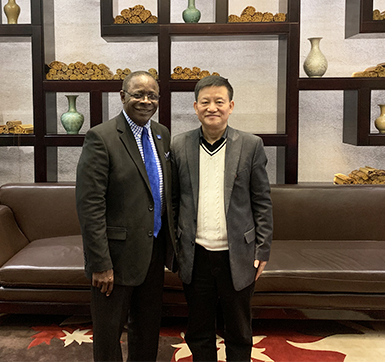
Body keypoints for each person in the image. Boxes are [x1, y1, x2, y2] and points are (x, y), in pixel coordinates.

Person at [171, 75, 273, 362]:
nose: (212, 107)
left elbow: (262, 201)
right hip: (196, 254)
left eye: (219, 101)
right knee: (198, 327)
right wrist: (176, 247)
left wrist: (262, 249)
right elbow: (174, 201)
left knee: (238, 328)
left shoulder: (251, 145)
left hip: (238, 253)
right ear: (195, 107)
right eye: (205, 102)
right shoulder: (179, 145)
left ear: (231, 106)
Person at [75, 71, 176, 362]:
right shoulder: (101, 137)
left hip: (153, 250)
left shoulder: (161, 134)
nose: (146, 101)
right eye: (138, 94)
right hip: (115, 257)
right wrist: (100, 263)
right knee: (109, 333)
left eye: (152, 96)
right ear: (122, 96)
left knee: (147, 328)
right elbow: (90, 205)